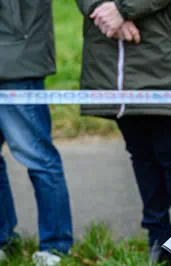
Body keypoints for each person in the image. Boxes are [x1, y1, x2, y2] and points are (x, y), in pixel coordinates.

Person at [75, 0, 171, 263]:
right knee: (141, 153)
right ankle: (158, 238)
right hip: (112, 56)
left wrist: (122, 9)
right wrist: (99, 6)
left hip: (165, 51)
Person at [0, 1, 74, 265]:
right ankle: (4, 240)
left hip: (17, 60)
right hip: (15, 52)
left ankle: (55, 247)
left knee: (39, 158)